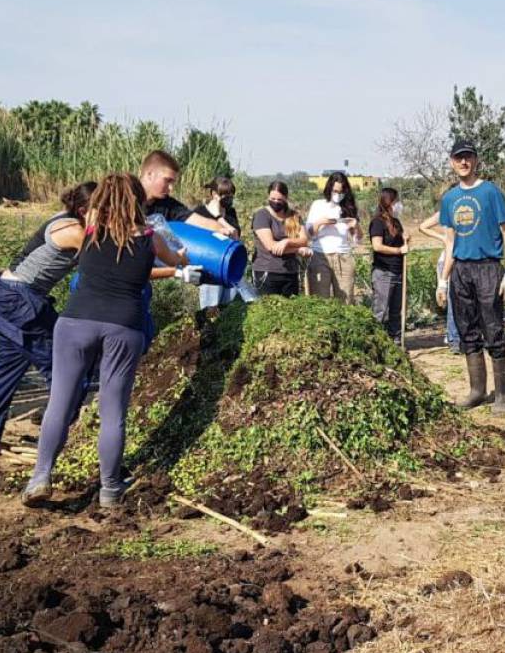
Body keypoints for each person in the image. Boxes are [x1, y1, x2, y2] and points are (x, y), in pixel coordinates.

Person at [23, 173, 190, 508]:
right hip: (123, 328)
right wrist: (182, 256)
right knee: (113, 410)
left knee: (60, 402)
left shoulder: (88, 230)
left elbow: (63, 231)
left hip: (75, 322)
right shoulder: (150, 237)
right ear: (138, 200)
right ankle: (111, 489)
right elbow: (177, 262)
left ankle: (41, 476)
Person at [0, 182, 99, 455]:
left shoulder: (67, 220)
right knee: (68, 362)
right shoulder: (72, 230)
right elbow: (109, 258)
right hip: (21, 297)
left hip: (10, 292)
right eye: (105, 210)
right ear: (85, 209)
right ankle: (60, 438)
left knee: (7, 367)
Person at [436, 139, 505, 415]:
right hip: (461, 270)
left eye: (468, 157)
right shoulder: (449, 199)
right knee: (466, 331)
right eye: (459, 158)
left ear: (476, 160)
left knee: (493, 329)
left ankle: (503, 395)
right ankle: (477, 390)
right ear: (451, 162)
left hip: (487, 268)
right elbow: (449, 242)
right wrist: (443, 280)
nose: (463, 162)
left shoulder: (490, 192)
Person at [192, 176, 257, 311]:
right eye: (225, 195)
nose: (229, 198)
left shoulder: (230, 212)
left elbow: (235, 235)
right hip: (210, 267)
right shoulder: (200, 212)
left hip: (229, 264)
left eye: (231, 195)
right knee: (211, 308)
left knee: (229, 307)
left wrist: (219, 218)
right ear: (215, 194)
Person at [305, 171, 360, 303]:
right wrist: (320, 223)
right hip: (320, 255)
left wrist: (356, 226)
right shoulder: (318, 205)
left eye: (341, 192)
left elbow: (357, 239)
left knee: (345, 301)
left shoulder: (349, 207)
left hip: (343, 257)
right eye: (335, 191)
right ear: (329, 189)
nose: (337, 195)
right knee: (320, 301)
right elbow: (308, 235)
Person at [252, 180, 310, 297]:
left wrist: (286, 241)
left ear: (286, 198)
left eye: (279, 200)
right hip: (268, 272)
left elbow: (304, 240)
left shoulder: (294, 216)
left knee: (290, 310)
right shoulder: (262, 216)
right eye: (273, 199)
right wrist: (297, 250)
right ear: (268, 196)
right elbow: (272, 247)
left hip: (291, 273)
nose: (276, 202)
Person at [369, 187, 409, 342]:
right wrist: (399, 250)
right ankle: (377, 342)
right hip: (384, 272)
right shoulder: (377, 222)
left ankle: (396, 342)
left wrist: (405, 238)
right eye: (396, 201)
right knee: (381, 310)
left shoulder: (396, 222)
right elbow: (377, 246)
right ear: (389, 202)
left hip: (398, 271)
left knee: (396, 310)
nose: (399, 204)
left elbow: (400, 241)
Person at [419, 204, 460, 352]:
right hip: (448, 260)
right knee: (452, 299)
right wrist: (443, 238)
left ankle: (459, 336)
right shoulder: (445, 212)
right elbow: (423, 226)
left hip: (463, 260)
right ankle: (453, 337)